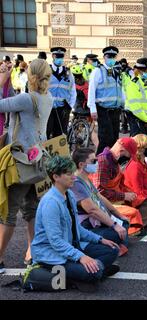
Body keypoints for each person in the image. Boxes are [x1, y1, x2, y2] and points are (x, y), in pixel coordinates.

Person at [31, 156, 120, 292]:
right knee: (95, 271)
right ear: (56, 177)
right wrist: (81, 256)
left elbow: (76, 228)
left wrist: (100, 240)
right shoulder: (51, 203)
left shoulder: (69, 195)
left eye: (73, 173)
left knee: (113, 249)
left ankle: (92, 272)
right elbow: (55, 241)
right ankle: (92, 273)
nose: (74, 177)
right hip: (51, 254)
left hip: (70, 246)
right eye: (68, 174)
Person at [0, 59, 53, 274]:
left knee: (8, 213)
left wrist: (2, 79)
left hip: (21, 162)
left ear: (29, 75)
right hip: (39, 161)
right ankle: (33, 254)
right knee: (31, 210)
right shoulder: (47, 97)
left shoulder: (26, 98)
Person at [71, 148, 133, 256]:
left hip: (97, 221)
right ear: (81, 164)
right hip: (86, 227)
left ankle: (117, 245)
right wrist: (114, 225)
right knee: (117, 232)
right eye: (93, 161)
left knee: (124, 222)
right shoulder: (76, 184)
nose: (97, 163)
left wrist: (118, 215)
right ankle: (114, 246)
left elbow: (100, 197)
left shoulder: (86, 179)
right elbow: (92, 210)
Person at [90, 137, 147, 226]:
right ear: (122, 150)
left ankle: (135, 225)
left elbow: (119, 185)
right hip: (106, 204)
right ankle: (132, 227)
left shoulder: (113, 160)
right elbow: (100, 192)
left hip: (117, 199)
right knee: (134, 213)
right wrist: (124, 196)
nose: (127, 160)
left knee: (146, 202)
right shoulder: (103, 162)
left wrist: (129, 194)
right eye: (128, 156)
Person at [88, 46, 124, 155]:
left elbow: (120, 90)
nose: (112, 59)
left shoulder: (117, 71)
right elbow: (91, 90)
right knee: (105, 138)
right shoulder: (98, 71)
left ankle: (111, 161)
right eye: (109, 56)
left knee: (114, 138)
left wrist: (123, 104)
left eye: (114, 57)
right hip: (103, 109)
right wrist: (92, 109)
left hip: (115, 109)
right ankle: (99, 162)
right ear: (104, 57)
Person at [122, 58, 147, 136]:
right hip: (135, 117)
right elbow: (135, 106)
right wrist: (146, 120)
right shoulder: (133, 84)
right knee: (138, 142)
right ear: (139, 71)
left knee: (146, 143)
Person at [47, 47, 77, 139]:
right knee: (46, 133)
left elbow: (73, 90)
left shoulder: (68, 73)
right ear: (53, 56)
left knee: (60, 136)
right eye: (57, 56)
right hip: (48, 108)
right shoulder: (46, 70)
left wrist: (69, 106)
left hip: (63, 109)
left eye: (61, 56)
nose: (60, 59)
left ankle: (60, 153)